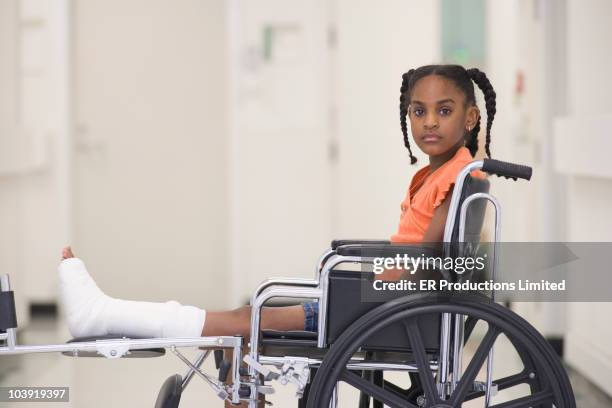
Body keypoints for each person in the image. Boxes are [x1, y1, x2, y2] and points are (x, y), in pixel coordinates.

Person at [58, 64, 495, 344]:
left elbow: (423, 257)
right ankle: (106, 315)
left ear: (470, 117)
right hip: (379, 300)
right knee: (251, 316)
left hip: (379, 307)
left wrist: (354, 279)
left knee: (246, 319)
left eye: (444, 110)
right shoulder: (443, 172)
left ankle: (102, 314)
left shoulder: (459, 175)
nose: (429, 122)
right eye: (418, 112)